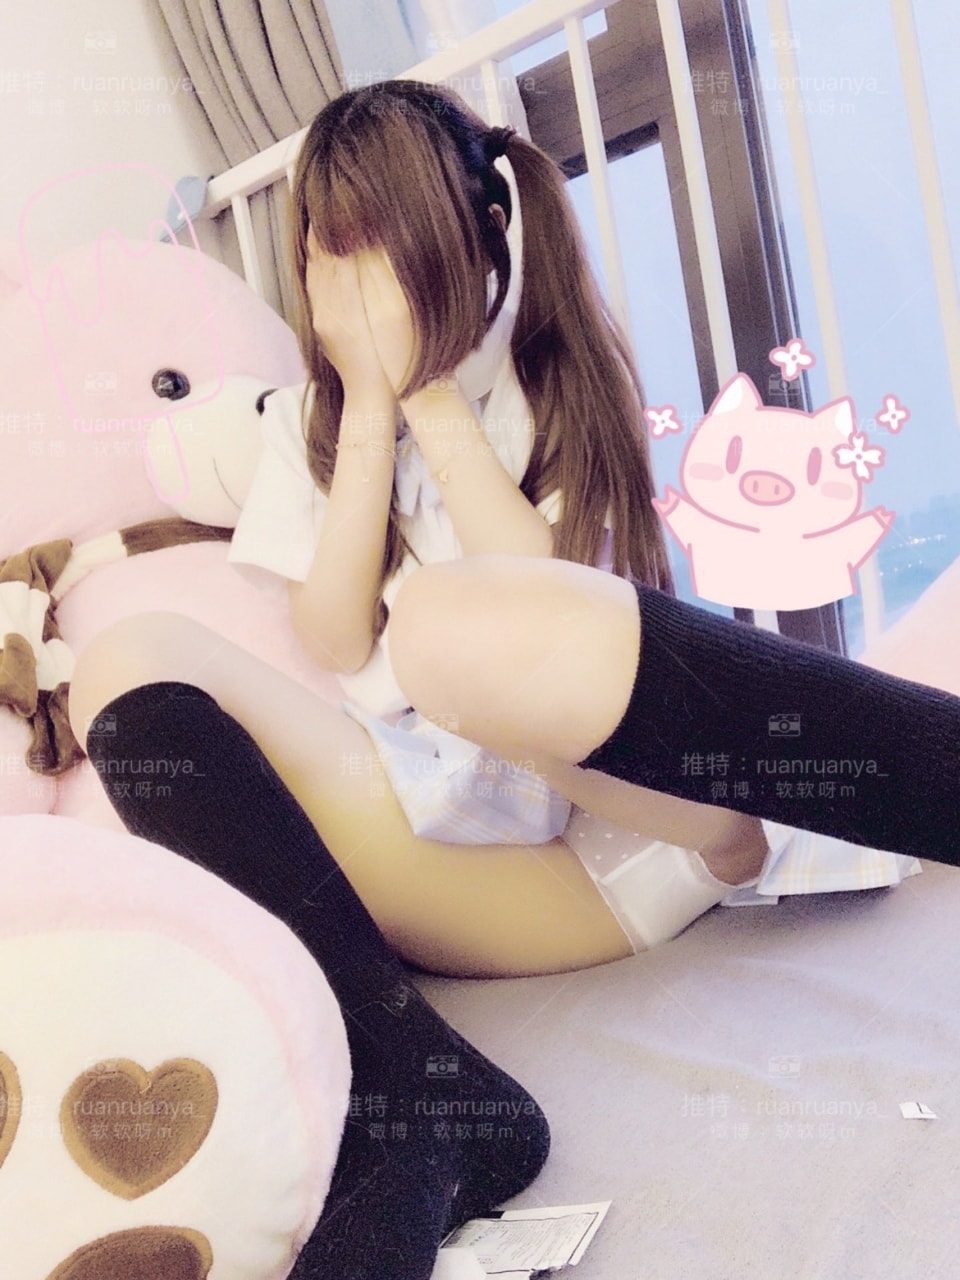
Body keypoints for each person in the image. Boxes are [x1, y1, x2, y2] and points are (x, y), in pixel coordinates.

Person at [65, 79, 960, 1277]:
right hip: (468, 861)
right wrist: (364, 408)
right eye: (329, 249)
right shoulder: (311, 432)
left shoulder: (554, 387)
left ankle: (885, 788)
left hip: (643, 834)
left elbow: (539, 604)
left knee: (449, 629)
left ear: (474, 240)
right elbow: (331, 634)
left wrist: (428, 390)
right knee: (122, 657)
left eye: (383, 244)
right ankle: (416, 1098)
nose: (353, 283)